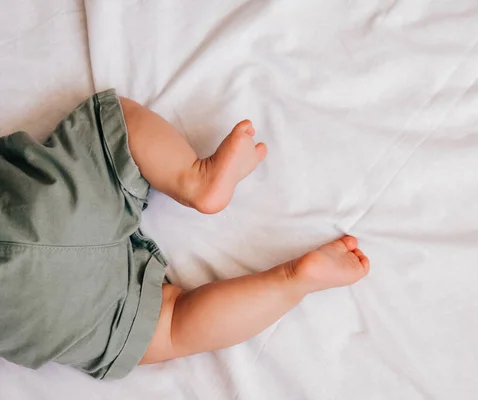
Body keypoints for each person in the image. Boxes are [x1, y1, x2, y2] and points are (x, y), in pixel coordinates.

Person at [0, 90, 370, 380]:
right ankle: (194, 179)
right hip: (35, 212)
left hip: (32, 312)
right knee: (115, 127)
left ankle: (293, 280)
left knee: (173, 325)